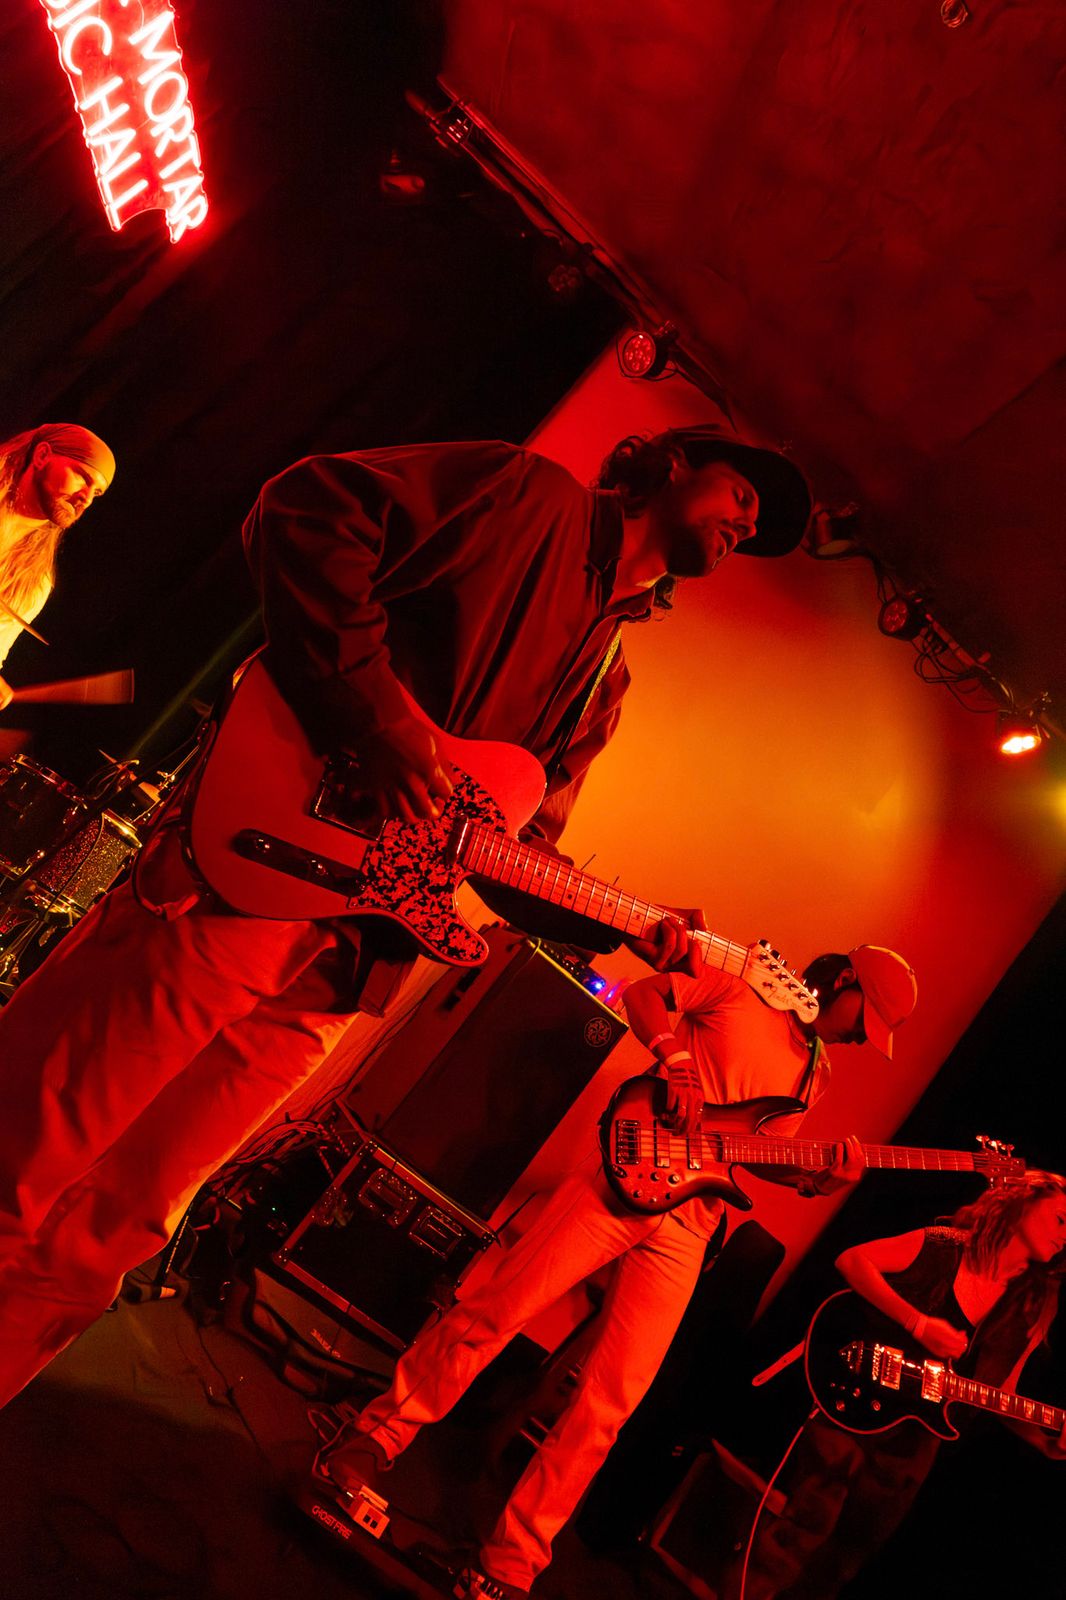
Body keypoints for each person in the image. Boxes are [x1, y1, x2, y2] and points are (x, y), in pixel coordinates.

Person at [0, 424, 811, 1411]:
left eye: (757, 527)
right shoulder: (526, 496)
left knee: (121, 1226)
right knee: (27, 1147)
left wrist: (628, 924)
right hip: (246, 878)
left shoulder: (606, 681)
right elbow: (305, 507)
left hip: (346, 967)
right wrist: (378, 720)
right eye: (742, 496)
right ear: (675, 465)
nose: (747, 525)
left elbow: (513, 847)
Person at [313, 944, 918, 1599]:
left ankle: (511, 1563)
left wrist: (815, 1179)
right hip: (621, 1178)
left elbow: (757, 1150)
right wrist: (676, 1060)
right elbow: (643, 994)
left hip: (689, 1226)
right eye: (866, 1018)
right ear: (843, 979)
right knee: (498, 1311)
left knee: (609, 1404)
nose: (863, 1036)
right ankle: (375, 1438)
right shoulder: (741, 985)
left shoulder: (815, 1073)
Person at [730, 1170, 1066, 1600]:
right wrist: (918, 1323)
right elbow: (853, 1260)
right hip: (856, 1402)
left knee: (844, 1559)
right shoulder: (943, 1244)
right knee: (800, 1529)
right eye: (1060, 1219)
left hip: (914, 1445)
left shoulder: (1032, 1304)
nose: (1064, 1235)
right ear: (1022, 1201)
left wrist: (1044, 1439)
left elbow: (1002, 1391)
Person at [0, 423, 116, 706]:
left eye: (96, 493)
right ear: (42, 456)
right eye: (82, 477)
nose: (86, 498)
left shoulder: (34, 582)